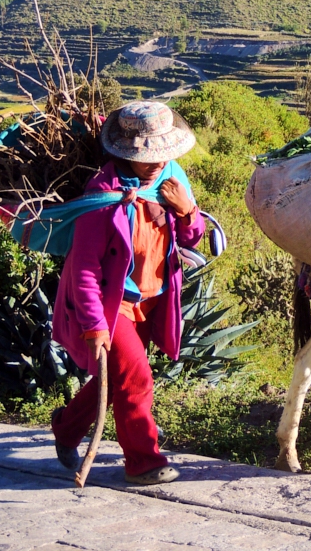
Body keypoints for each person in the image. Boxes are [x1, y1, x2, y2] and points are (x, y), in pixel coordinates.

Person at [51, 101, 206, 485]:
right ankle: (143, 461)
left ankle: (66, 428)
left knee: (117, 378)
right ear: (124, 151)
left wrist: (188, 212)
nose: (155, 162)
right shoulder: (103, 194)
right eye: (146, 154)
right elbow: (85, 268)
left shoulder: (172, 178)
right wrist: (94, 325)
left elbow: (192, 238)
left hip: (151, 301)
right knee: (136, 375)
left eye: (161, 153)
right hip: (110, 305)